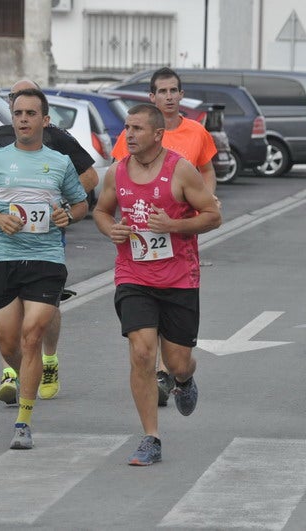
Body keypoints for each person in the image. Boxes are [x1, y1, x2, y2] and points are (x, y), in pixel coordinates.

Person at [93, 103, 221, 465]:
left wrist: (175, 226)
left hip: (179, 278)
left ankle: (183, 380)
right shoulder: (116, 173)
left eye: (136, 129)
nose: (128, 135)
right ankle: (151, 437)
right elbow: (101, 211)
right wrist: (110, 229)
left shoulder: (180, 170)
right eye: (126, 128)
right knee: (142, 352)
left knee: (178, 362)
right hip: (134, 276)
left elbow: (214, 215)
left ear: (157, 134)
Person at [0, 88, 88, 449]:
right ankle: (25, 377)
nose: (23, 119)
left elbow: (80, 204)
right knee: (9, 343)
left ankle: (23, 421)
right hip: (3, 259)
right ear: (12, 118)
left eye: (31, 113)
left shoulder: (60, 162)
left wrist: (68, 215)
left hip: (46, 259)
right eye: (18, 113)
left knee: (33, 336)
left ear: (45, 121)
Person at [0, 79, 99, 405]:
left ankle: (48, 360)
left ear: (42, 115)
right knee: (9, 312)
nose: (21, 115)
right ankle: (10, 371)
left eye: (29, 109)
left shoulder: (56, 137)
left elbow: (90, 176)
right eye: (14, 104)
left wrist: (62, 204)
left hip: (46, 237)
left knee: (45, 304)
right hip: (6, 238)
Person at [110, 66, 219, 406]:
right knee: (142, 339)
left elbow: (205, 171)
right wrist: (115, 223)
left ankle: (177, 372)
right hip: (140, 244)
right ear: (152, 96)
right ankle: (157, 372)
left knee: (179, 357)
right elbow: (120, 180)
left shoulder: (196, 132)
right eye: (163, 91)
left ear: (181, 94)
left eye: (175, 90)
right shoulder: (135, 133)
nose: (170, 96)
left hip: (179, 234)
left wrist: (203, 201)